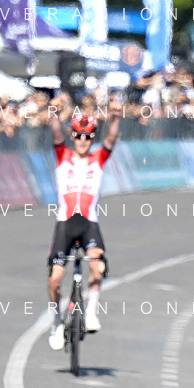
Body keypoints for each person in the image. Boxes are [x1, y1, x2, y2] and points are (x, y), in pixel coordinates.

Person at [47, 105, 120, 350]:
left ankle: (90, 312)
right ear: (72, 135)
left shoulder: (98, 159)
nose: (82, 140)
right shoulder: (63, 156)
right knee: (55, 279)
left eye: (87, 136)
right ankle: (57, 321)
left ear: (93, 138)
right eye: (78, 135)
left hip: (89, 223)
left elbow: (112, 138)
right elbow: (56, 133)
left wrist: (115, 117)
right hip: (65, 223)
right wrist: (55, 113)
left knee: (97, 268)